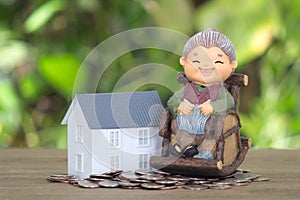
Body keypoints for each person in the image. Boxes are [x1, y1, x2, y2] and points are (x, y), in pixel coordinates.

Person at [167, 28, 238, 159]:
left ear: (232, 65)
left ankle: (202, 152)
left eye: (217, 62)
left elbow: (229, 101)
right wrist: (179, 105)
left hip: (206, 127)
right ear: (184, 62)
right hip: (186, 126)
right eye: (197, 61)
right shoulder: (188, 88)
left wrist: (213, 107)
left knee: (212, 127)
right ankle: (185, 148)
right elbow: (172, 100)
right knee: (176, 123)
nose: (206, 66)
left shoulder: (219, 90)